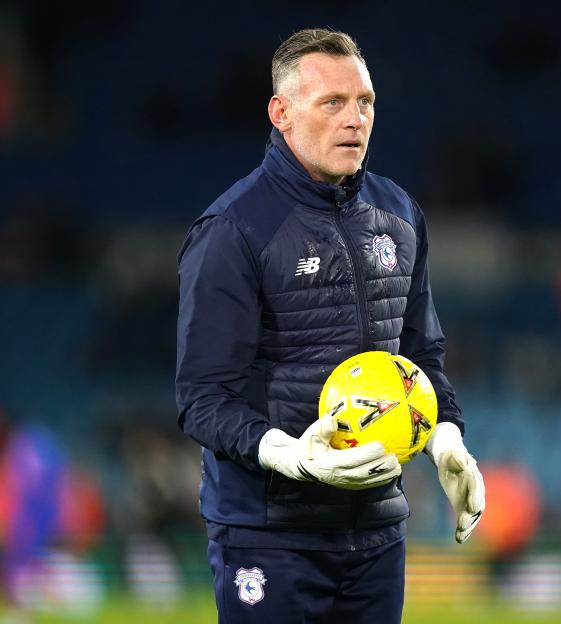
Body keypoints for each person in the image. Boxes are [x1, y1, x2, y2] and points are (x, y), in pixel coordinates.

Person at [176, 28, 485, 623]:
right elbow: (202, 399)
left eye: (365, 102)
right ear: (281, 112)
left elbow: (422, 357)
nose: (355, 119)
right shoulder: (232, 229)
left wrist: (447, 436)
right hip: (268, 534)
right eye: (333, 103)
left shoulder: (398, 214)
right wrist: (292, 457)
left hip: (376, 531)